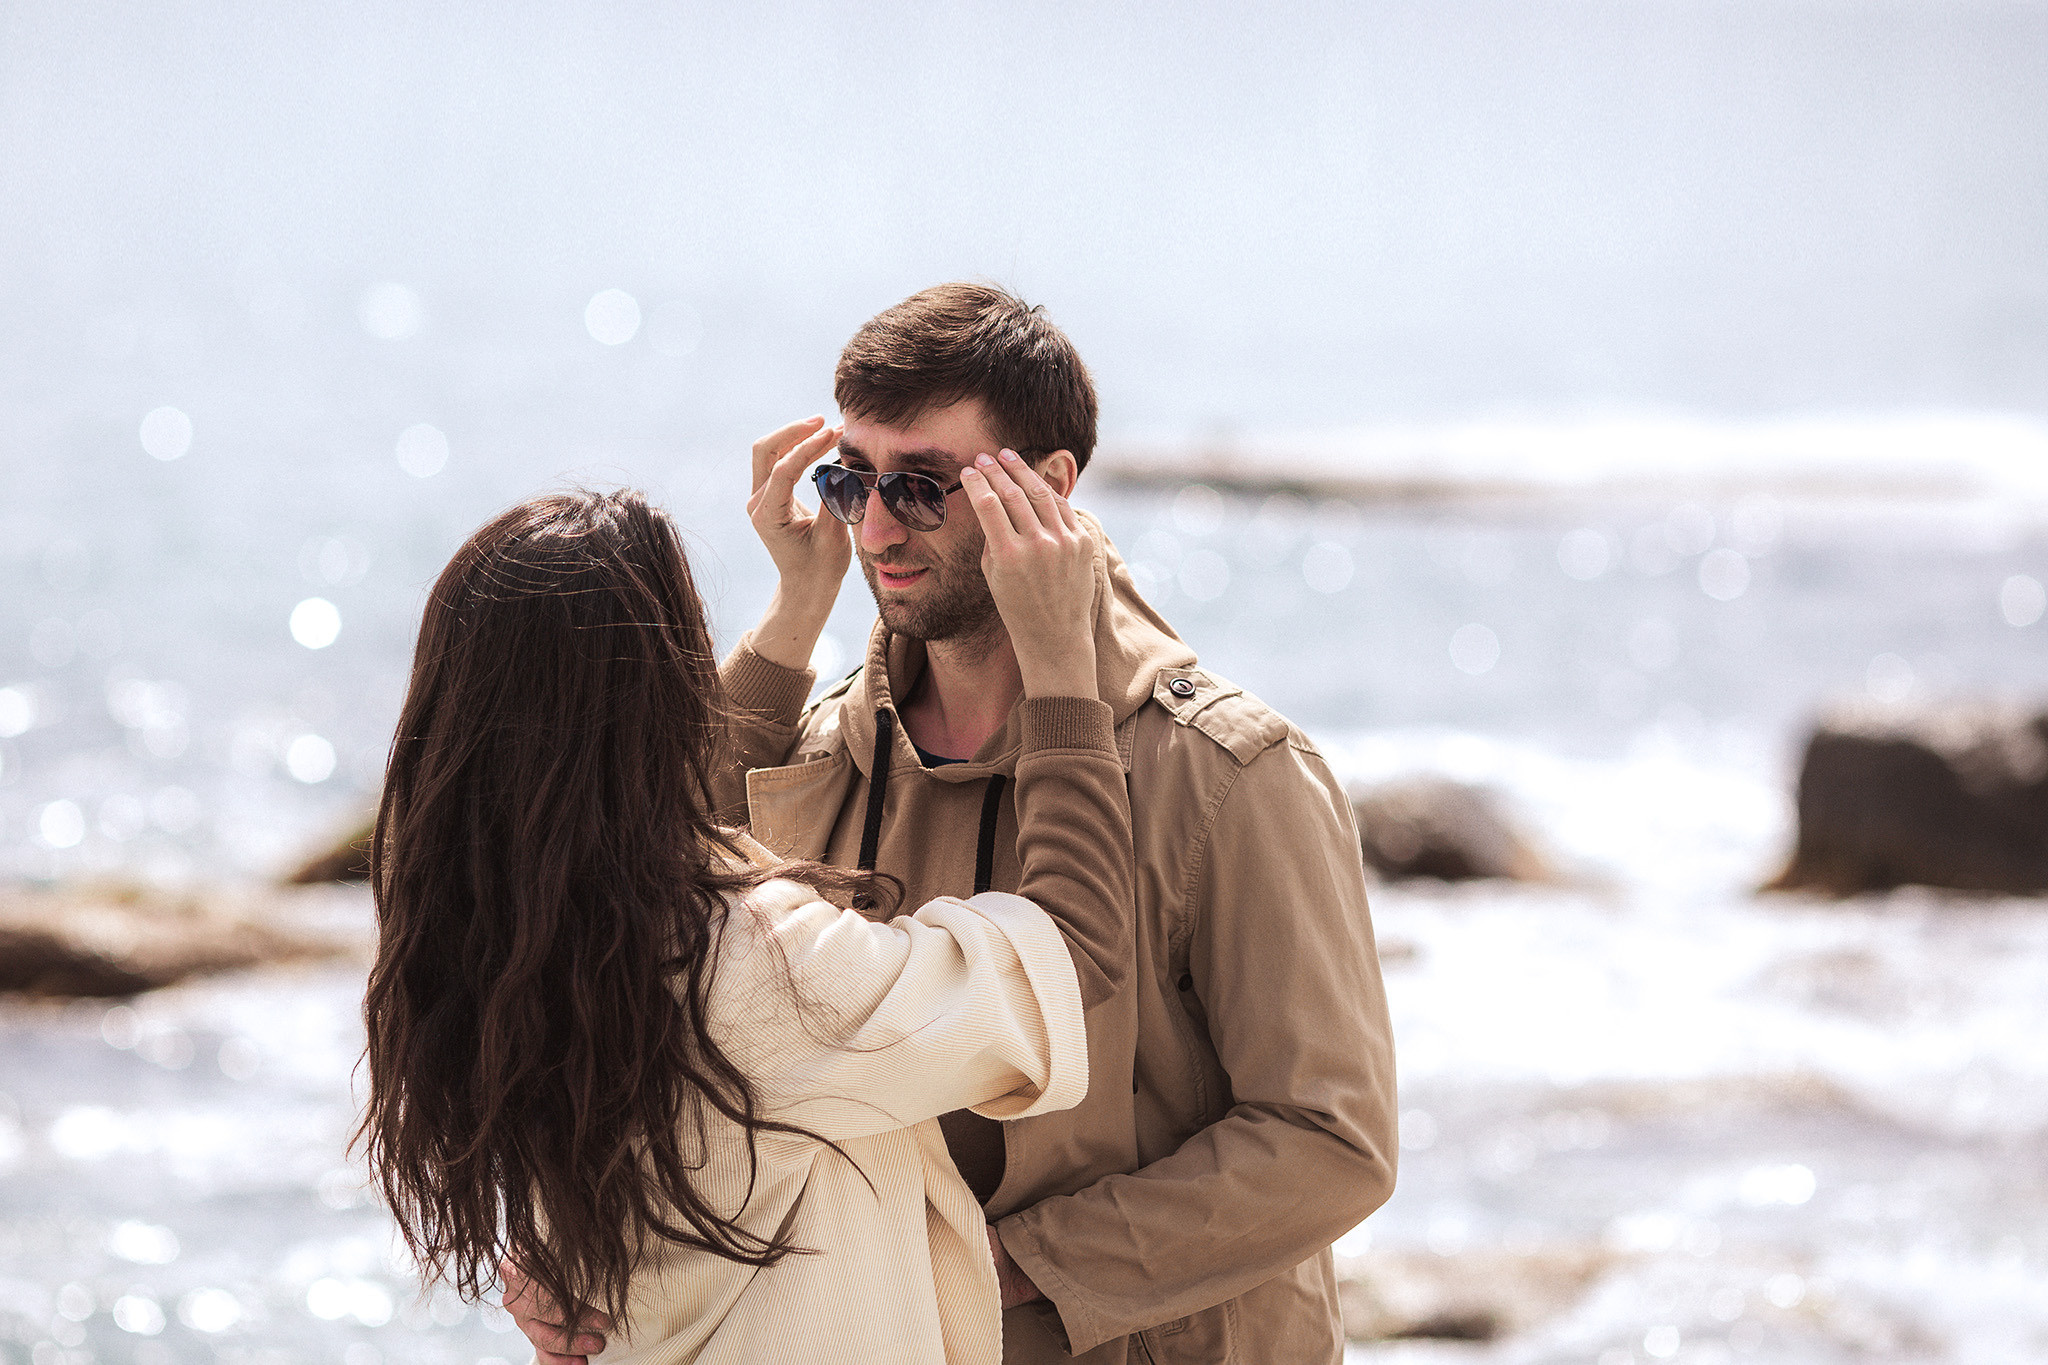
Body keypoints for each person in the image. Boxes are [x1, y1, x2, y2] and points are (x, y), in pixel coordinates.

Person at [514, 284, 1399, 1365]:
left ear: (1047, 488)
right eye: (852, 480)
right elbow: (648, 917)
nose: (876, 526)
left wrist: (999, 1266)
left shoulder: (1229, 774)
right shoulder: (824, 743)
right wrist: (792, 613)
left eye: (922, 487)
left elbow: (1329, 1142)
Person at [357, 480, 1141, 1364]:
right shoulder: (767, 969)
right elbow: (1069, 959)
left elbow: (648, 820)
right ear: (666, 699)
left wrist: (798, 607)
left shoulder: (495, 936)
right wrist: (1062, 664)